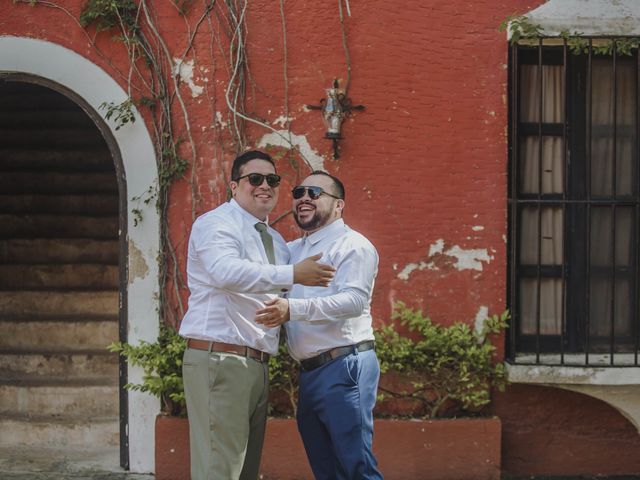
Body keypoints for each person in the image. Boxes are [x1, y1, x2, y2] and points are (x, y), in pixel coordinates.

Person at [179, 151, 336, 480]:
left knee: (245, 470)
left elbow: (277, 294)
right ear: (234, 186)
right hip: (219, 358)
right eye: (256, 179)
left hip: (257, 363)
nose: (265, 185)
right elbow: (225, 272)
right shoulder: (216, 223)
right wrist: (293, 274)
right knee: (218, 470)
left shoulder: (277, 242)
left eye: (273, 180)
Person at [256, 171, 383, 480]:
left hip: (344, 364)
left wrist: (292, 310)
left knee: (356, 467)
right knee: (325, 468)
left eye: (315, 192)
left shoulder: (353, 245)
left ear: (338, 205)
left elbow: (353, 301)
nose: (304, 198)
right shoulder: (292, 251)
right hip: (311, 372)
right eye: (299, 192)